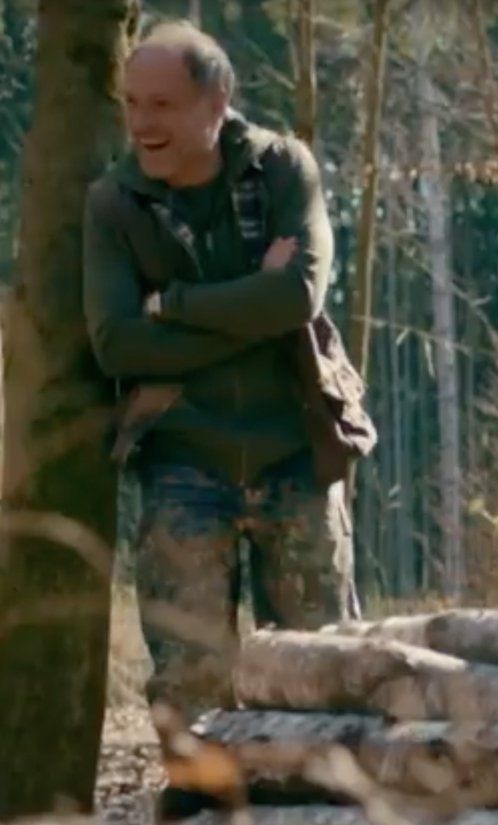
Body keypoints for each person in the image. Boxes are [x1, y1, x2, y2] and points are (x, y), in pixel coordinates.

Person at [83, 21, 375, 715]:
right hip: (183, 461)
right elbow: (118, 346)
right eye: (132, 104)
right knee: (191, 683)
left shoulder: (284, 170)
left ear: (217, 102)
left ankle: (315, 791)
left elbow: (298, 295)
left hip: (297, 453)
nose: (142, 124)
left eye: (163, 105)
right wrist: (254, 313)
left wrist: (174, 305)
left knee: (324, 670)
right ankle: (204, 791)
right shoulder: (114, 204)